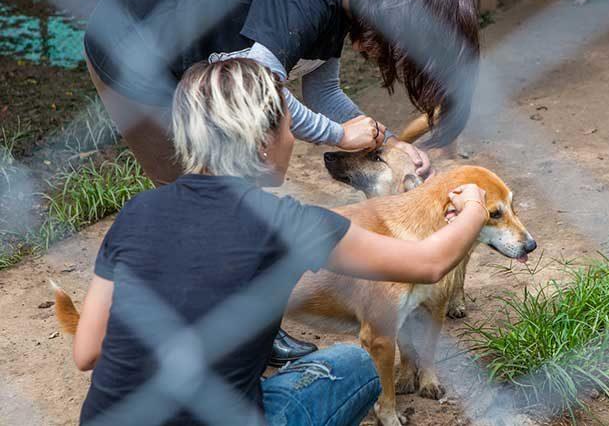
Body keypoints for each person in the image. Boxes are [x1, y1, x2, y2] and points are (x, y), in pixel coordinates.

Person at [83, 0, 480, 363]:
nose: (383, 57)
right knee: (199, 198)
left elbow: (323, 92)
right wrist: (339, 135)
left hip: (190, 61)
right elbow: (259, 97)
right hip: (131, 54)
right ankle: (198, 335)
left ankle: (241, 327)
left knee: (230, 202)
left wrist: (388, 145)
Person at [72, 58, 489, 426]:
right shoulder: (283, 222)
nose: (293, 141)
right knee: (356, 362)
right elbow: (430, 263)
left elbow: (87, 353)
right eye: (289, 127)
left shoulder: (136, 213)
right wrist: (472, 203)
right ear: (262, 139)